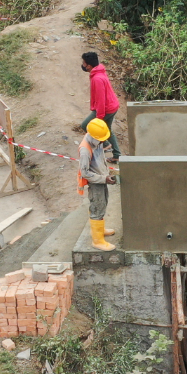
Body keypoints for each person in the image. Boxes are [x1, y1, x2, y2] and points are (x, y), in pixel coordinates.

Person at [78, 119, 118, 251]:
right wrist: (103, 178)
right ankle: (97, 240)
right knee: (97, 207)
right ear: (94, 137)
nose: (103, 141)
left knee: (103, 203)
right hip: (95, 182)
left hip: (101, 179)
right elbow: (84, 173)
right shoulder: (85, 150)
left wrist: (107, 173)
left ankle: (100, 230)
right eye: (101, 139)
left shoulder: (96, 141)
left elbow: (100, 159)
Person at [80, 51, 122, 162]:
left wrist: (99, 117)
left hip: (106, 108)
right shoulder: (99, 72)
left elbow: (101, 99)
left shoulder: (97, 78)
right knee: (107, 129)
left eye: (84, 63)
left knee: (86, 125)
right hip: (113, 105)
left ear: (89, 65)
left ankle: (106, 145)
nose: (83, 65)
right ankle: (117, 155)